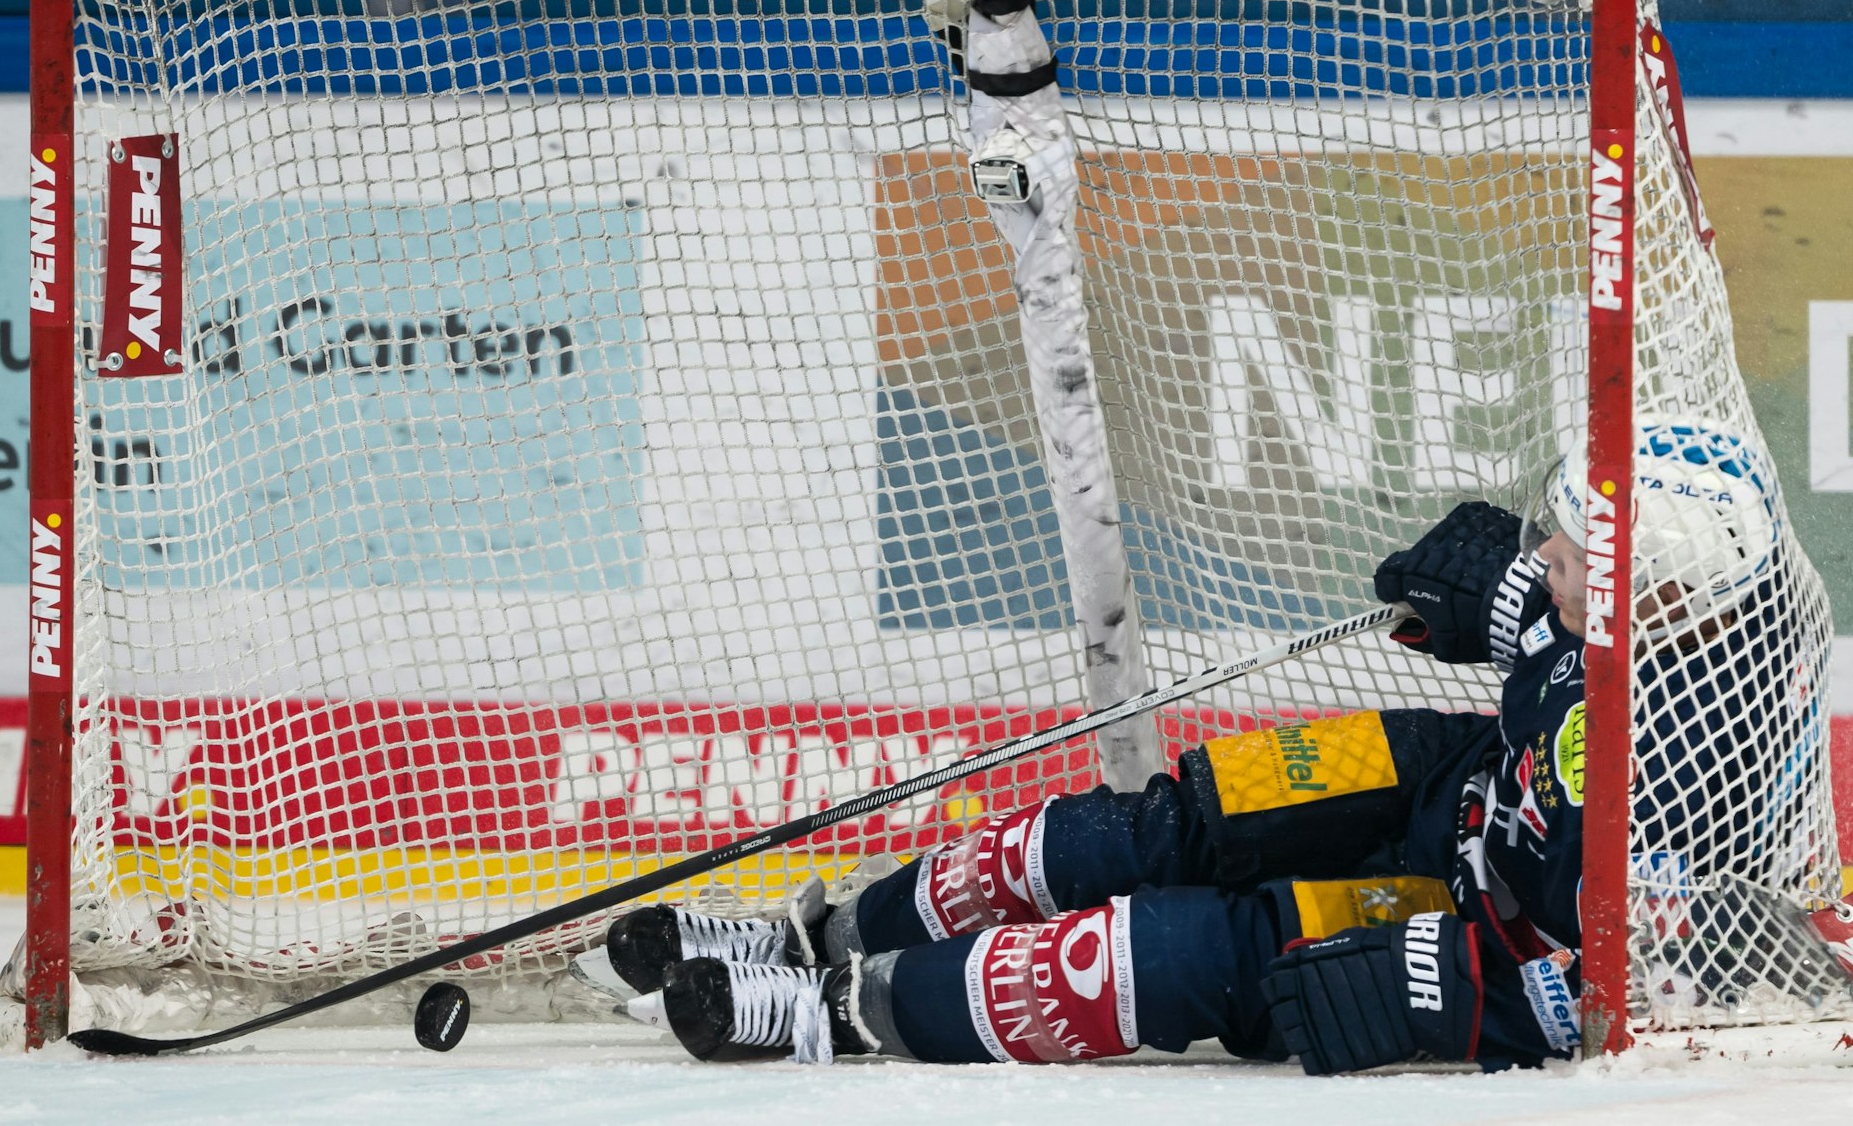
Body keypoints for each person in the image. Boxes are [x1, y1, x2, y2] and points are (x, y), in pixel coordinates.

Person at [572, 423, 1790, 1071]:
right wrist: (1479, 586)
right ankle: (827, 929)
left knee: (1192, 947)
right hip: (1446, 774)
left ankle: (840, 1010)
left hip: (1463, 918)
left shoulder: (1688, 773)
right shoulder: (1615, 609)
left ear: (1664, 594)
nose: (1547, 556)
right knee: (1163, 819)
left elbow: (1641, 989)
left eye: (1574, 551)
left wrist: (1461, 1004)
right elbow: (1529, 611)